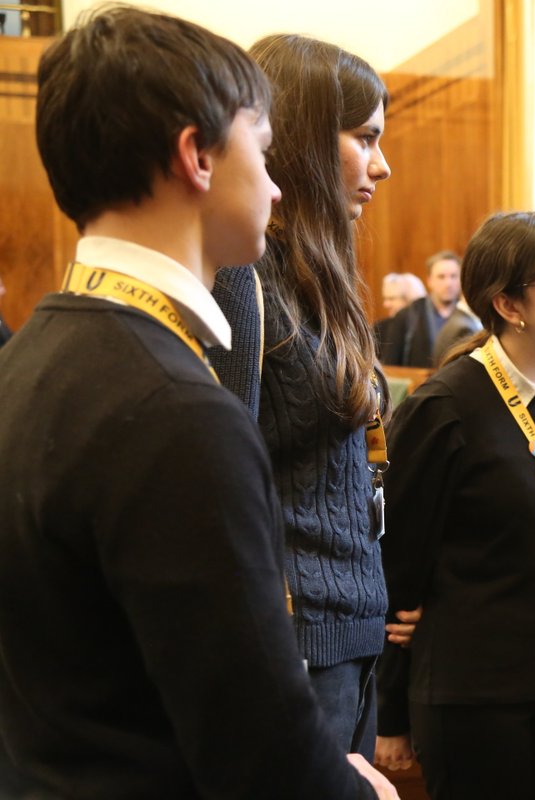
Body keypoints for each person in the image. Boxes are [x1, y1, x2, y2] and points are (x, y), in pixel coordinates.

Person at [0, 8, 396, 798]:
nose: (279, 181)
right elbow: (251, 741)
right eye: (263, 147)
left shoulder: (29, 360)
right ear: (198, 157)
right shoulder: (177, 405)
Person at [208, 33, 392, 761]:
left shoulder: (319, 277)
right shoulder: (243, 280)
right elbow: (222, 487)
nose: (381, 165)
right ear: (308, 137)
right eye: (365, 137)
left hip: (352, 627)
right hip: (292, 641)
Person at [376, 211, 535, 798]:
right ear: (508, 304)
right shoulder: (447, 405)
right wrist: (391, 710)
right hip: (475, 688)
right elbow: (398, 563)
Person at [380, 250, 462, 366]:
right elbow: (391, 365)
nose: (448, 283)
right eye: (441, 277)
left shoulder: (470, 316)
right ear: (429, 280)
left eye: (454, 276)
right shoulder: (407, 316)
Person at [374, 272, 425, 356]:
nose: (385, 304)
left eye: (392, 299)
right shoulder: (379, 329)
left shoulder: (425, 331)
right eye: (385, 298)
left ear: (409, 300)